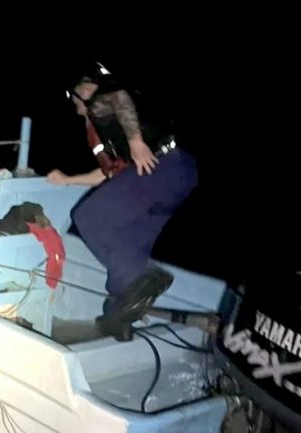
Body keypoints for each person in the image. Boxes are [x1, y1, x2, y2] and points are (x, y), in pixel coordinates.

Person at [47, 61, 198, 341]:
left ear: (87, 88)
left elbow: (121, 99)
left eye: (74, 95)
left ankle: (146, 280)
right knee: (129, 248)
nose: (74, 104)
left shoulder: (101, 102)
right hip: (176, 176)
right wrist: (67, 180)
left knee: (88, 218)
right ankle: (123, 319)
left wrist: (137, 142)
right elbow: (108, 175)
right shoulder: (102, 127)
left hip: (162, 167)